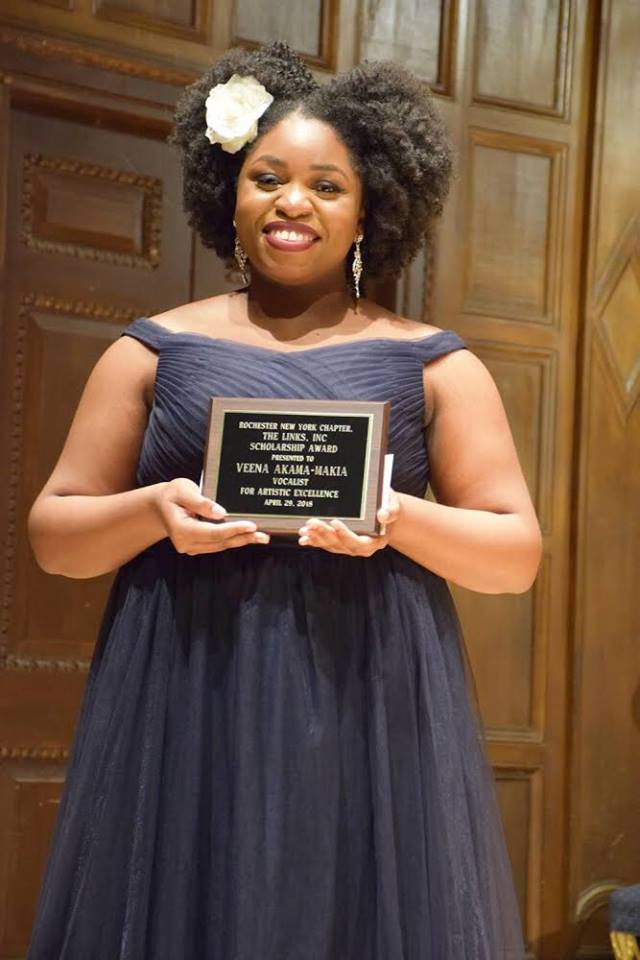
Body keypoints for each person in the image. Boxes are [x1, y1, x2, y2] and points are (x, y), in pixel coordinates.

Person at [26, 39, 541, 959]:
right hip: (186, 701)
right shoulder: (149, 351)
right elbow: (54, 537)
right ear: (228, 193)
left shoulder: (436, 365)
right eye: (267, 177)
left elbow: (515, 555)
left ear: (370, 208)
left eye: (326, 185)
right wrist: (153, 512)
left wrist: (397, 519)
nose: (292, 202)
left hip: (370, 709)